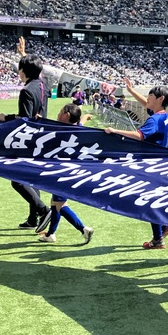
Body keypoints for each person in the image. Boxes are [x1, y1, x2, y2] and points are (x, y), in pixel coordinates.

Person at [105, 77, 168, 249]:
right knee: (150, 198)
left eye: (150, 96)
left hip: (151, 163)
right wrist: (132, 91)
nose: (147, 98)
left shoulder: (154, 120)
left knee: (148, 199)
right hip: (158, 161)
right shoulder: (163, 115)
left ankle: (159, 235)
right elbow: (146, 105)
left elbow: (139, 135)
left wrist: (114, 131)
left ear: (160, 99)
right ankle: (161, 230)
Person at [0, 42, 52, 231]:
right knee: (31, 178)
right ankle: (32, 218)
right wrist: (23, 54)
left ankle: (43, 210)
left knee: (17, 180)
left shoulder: (26, 91)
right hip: (42, 138)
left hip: (29, 141)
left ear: (23, 71)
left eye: (19, 69)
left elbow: (24, 119)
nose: (18, 72)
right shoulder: (42, 85)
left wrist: (5, 118)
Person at [36, 103, 94, 245]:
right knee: (55, 203)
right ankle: (51, 234)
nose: (58, 114)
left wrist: (38, 121)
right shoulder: (77, 129)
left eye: (60, 111)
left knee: (60, 205)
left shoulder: (60, 131)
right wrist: (86, 116)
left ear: (66, 115)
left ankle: (83, 229)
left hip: (61, 172)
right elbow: (81, 123)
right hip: (71, 171)